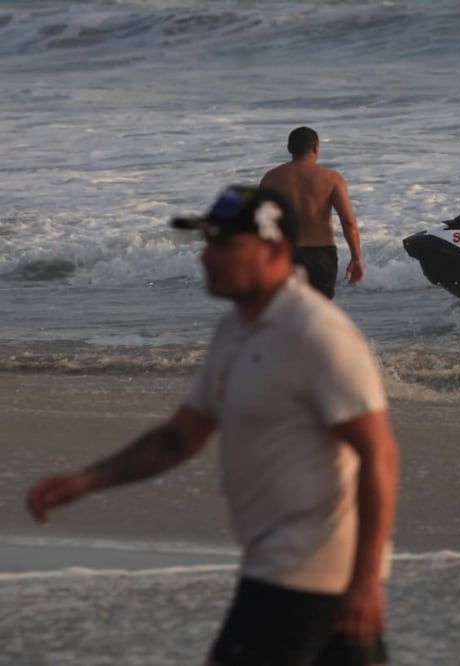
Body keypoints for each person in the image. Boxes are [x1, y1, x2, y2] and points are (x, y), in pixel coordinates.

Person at [26, 186, 400, 666]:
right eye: (207, 242)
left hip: (304, 571)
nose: (206, 257)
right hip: (294, 569)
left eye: (224, 244)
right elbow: (180, 436)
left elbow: (380, 455)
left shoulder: (315, 333)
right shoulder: (235, 331)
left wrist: (367, 582)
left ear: (276, 250)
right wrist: (85, 481)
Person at [260, 126, 364, 299]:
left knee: (287, 310)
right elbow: (348, 222)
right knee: (319, 312)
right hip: (321, 256)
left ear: (289, 149)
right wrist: (357, 258)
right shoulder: (331, 178)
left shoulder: (271, 178)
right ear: (316, 148)